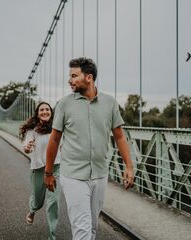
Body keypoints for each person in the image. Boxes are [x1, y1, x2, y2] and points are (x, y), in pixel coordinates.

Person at [44, 57, 134, 240]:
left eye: (74, 76)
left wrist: (129, 166)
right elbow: (54, 139)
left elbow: (119, 136)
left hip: (100, 174)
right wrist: (48, 172)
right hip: (73, 175)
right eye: (70, 76)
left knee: (92, 226)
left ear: (89, 77)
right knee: (82, 228)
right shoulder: (64, 104)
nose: (70, 80)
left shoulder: (110, 103)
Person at [19, 101, 61, 240]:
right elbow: (26, 146)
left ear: (51, 112)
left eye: (47, 109)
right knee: (38, 200)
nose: (44, 112)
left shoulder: (57, 128)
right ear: (37, 114)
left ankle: (52, 236)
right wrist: (28, 147)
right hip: (38, 168)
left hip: (56, 167)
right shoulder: (33, 131)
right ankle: (32, 210)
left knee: (53, 201)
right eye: (41, 110)